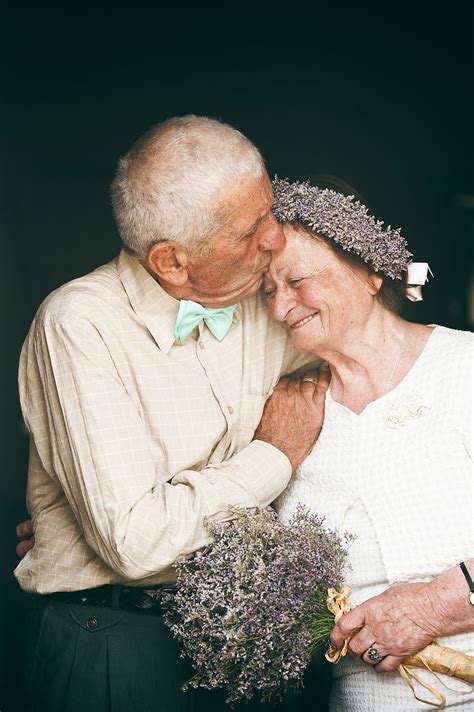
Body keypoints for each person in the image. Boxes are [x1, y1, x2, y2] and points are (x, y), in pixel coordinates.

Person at [15, 117, 329, 712]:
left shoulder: (269, 300)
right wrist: (274, 456)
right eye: (250, 231)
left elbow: (367, 346)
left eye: (271, 210)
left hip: (247, 641)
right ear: (173, 262)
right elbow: (135, 541)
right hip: (112, 641)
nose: (274, 238)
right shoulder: (79, 324)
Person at [265, 177, 474, 710]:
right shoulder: (288, 411)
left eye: (296, 280)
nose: (278, 307)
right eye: (267, 290)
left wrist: (437, 605)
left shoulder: (464, 369)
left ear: (369, 272)